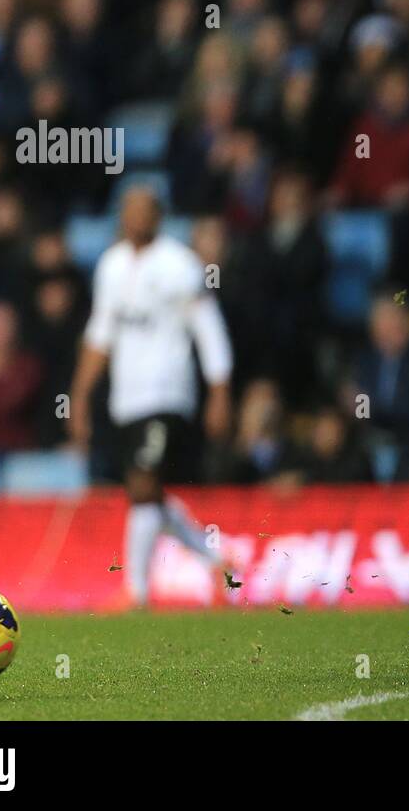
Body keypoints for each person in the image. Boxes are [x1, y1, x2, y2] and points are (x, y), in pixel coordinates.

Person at [69, 187, 234, 608]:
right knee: (148, 493)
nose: (135, 218)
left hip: (167, 392)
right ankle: (215, 559)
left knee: (142, 483)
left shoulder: (179, 264)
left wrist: (219, 392)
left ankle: (135, 592)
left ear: (159, 216)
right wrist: (81, 397)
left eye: (143, 210)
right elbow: (99, 336)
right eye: (128, 209)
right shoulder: (111, 265)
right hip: (126, 399)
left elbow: (208, 329)